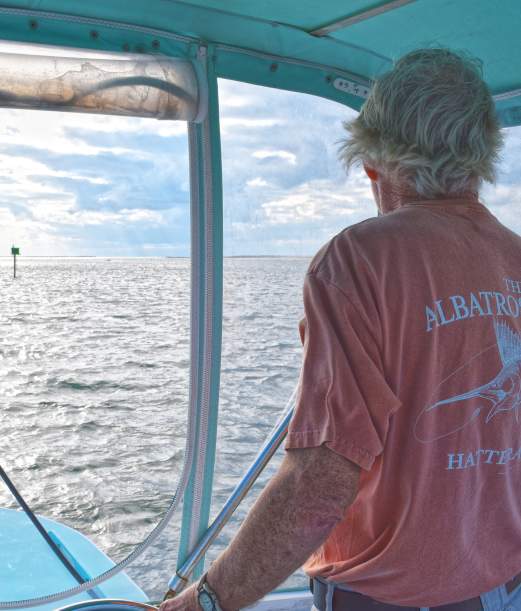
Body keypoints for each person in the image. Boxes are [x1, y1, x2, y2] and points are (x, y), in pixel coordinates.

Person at [160, 47, 521, 611]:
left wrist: (207, 601)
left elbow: (318, 487)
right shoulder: (515, 257)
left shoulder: (358, 260)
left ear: (375, 162)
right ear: (480, 158)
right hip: (503, 587)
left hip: (387, 596)